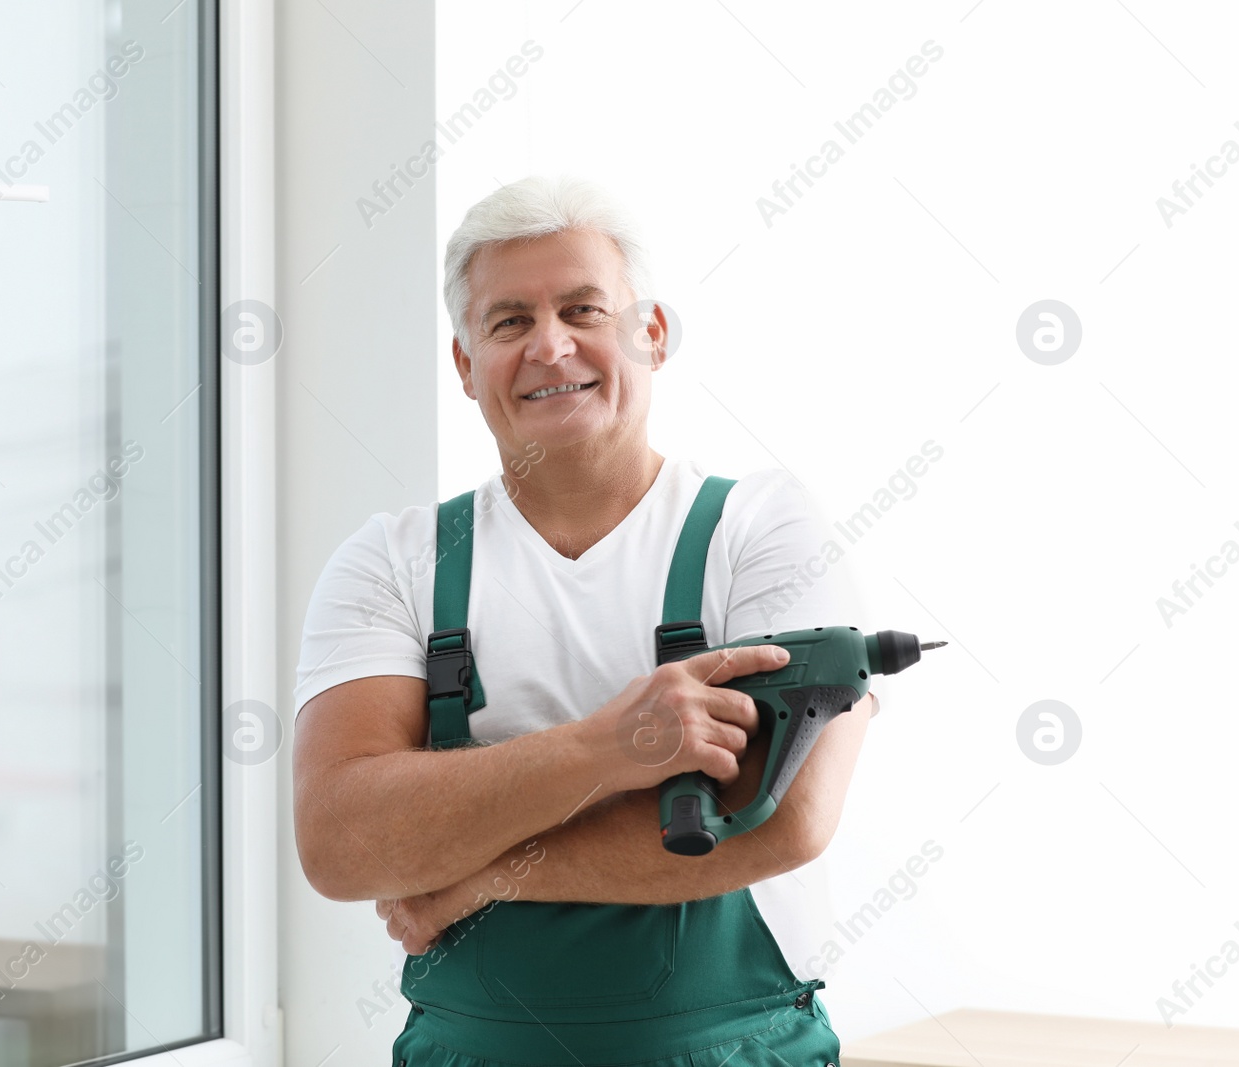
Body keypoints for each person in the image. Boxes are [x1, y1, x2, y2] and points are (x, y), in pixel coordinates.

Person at [292, 175, 874, 1066]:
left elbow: (787, 814)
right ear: (463, 363)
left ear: (652, 334)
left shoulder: (763, 528)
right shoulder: (393, 563)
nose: (550, 345)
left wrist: (479, 875)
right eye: (509, 321)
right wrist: (612, 748)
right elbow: (342, 840)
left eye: (583, 309)